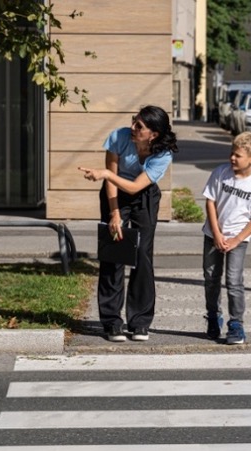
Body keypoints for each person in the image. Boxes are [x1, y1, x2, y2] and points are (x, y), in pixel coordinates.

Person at [78, 105, 178, 342]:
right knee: (115, 252)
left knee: (142, 254)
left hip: (143, 195)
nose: (133, 127)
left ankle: (140, 322)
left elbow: (133, 187)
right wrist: (114, 214)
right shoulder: (119, 137)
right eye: (134, 121)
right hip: (114, 194)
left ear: (153, 134)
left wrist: (105, 174)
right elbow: (112, 182)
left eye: (139, 126)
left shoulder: (162, 154)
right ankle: (112, 322)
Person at [201, 132, 251, 345]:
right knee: (211, 277)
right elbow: (210, 202)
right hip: (213, 235)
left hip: (238, 240)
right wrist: (216, 233)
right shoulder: (220, 173)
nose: (232, 158)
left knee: (233, 281)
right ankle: (213, 316)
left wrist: (237, 239)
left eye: (238, 156)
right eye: (232, 153)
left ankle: (236, 324)